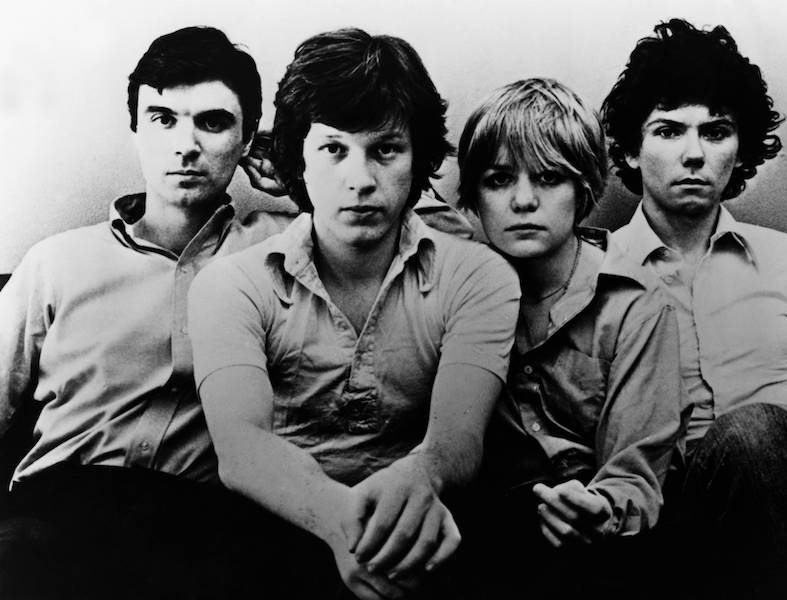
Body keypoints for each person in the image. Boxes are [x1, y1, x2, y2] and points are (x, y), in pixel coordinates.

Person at [188, 28, 520, 600]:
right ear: (299, 160)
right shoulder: (229, 284)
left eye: (385, 149)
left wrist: (407, 498)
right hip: (276, 533)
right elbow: (241, 448)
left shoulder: (479, 277)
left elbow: (455, 442)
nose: (360, 180)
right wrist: (339, 522)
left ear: (417, 159)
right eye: (334, 148)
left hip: (421, 526)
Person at [0, 26, 300, 599]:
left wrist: (303, 180)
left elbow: (436, 241)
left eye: (212, 122)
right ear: (136, 130)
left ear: (247, 139)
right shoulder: (56, 263)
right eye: (162, 118)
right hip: (54, 520)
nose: (184, 144)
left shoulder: (289, 250)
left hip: (205, 531)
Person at [602, 18, 787, 599]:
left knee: (756, 432)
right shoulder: (592, 273)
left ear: (740, 151)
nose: (693, 154)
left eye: (715, 132)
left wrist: (773, 428)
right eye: (668, 130)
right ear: (631, 151)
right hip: (665, 514)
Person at [455, 77, 684, 599]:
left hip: (611, 536)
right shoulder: (455, 285)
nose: (523, 200)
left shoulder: (636, 303)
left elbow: (637, 466)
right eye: (498, 180)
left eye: (548, 178)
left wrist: (600, 510)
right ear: (473, 195)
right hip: (498, 528)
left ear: (582, 189)